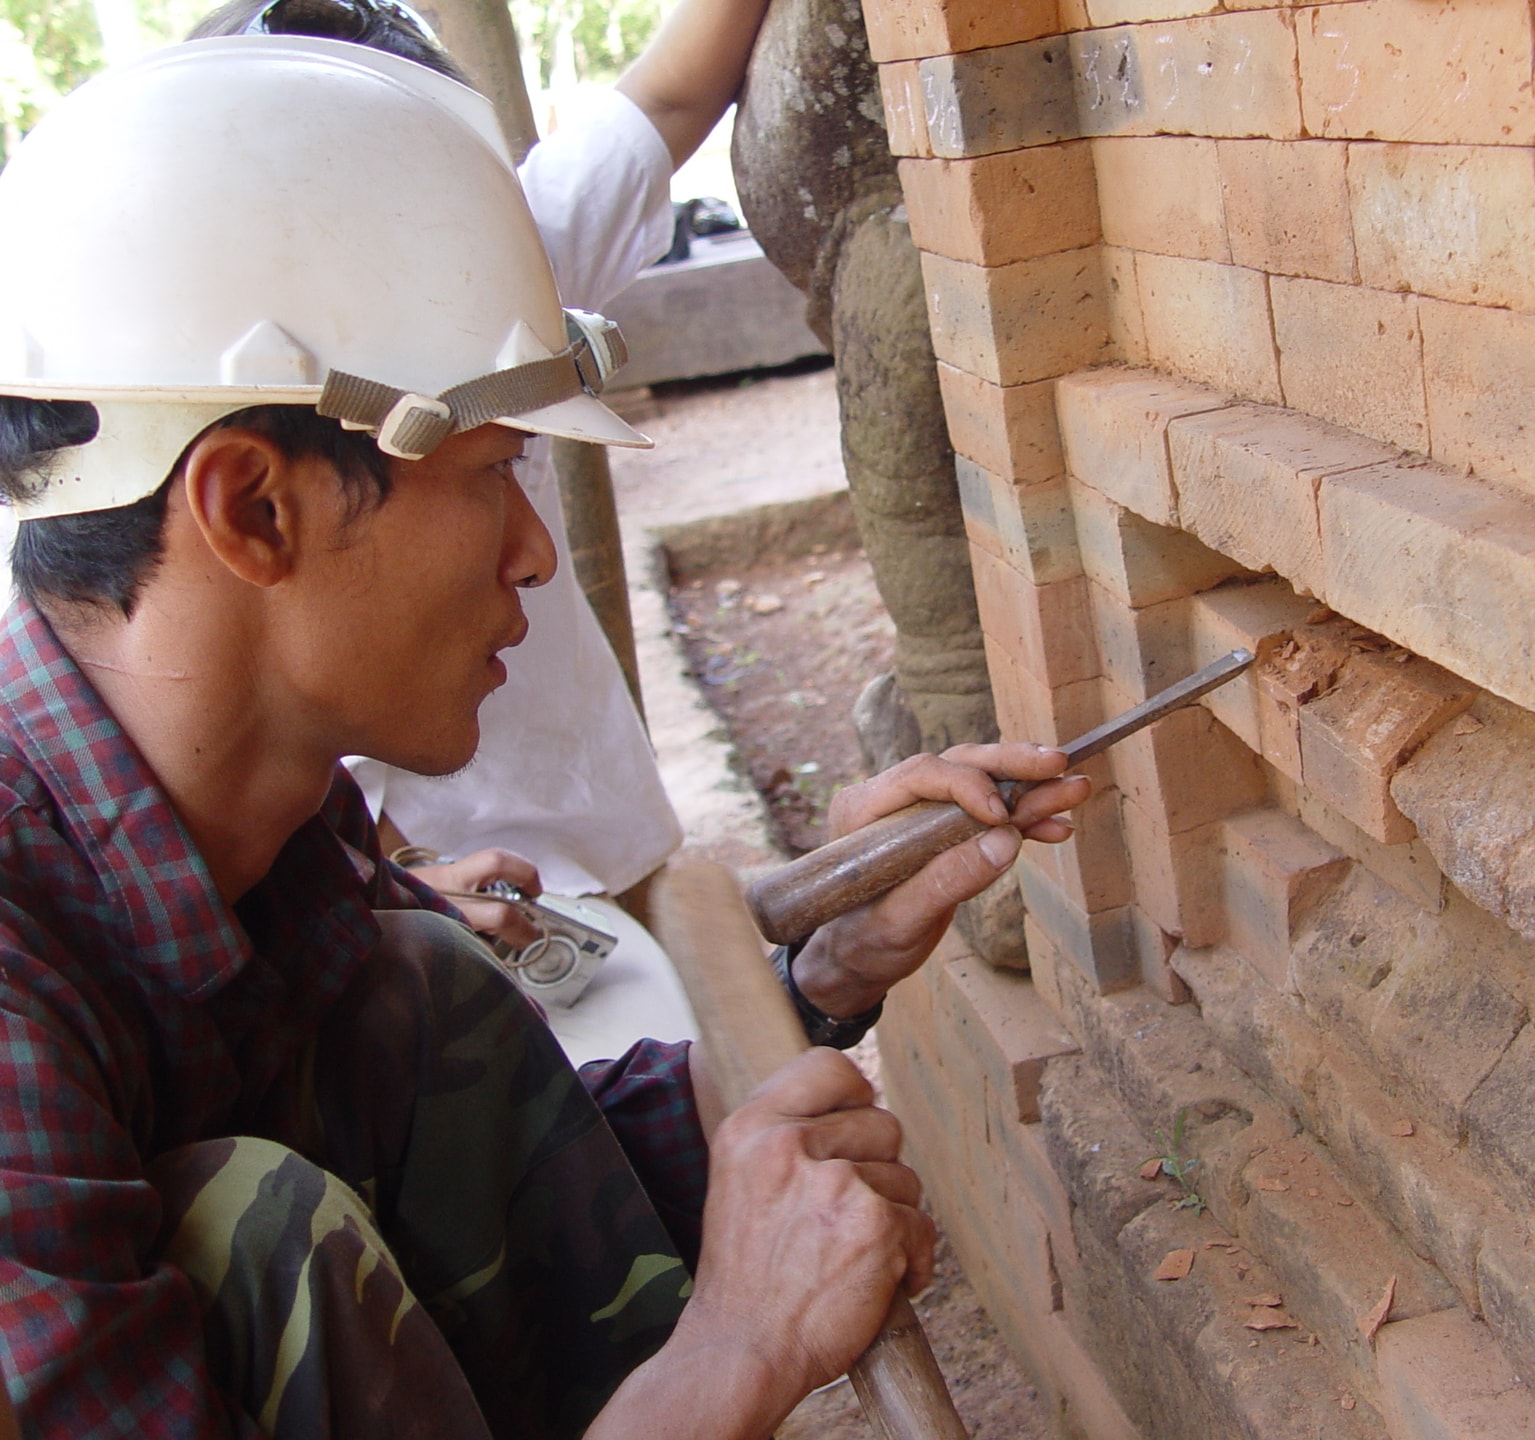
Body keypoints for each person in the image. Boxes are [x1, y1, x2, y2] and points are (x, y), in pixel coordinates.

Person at [0, 37, 1089, 1439]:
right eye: (489, 475)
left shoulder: (267, 832)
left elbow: (496, 1171)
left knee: (426, 988)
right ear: (253, 511)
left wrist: (808, 975)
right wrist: (737, 1357)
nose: (530, 554)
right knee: (253, 1235)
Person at [191, 0, 774, 927]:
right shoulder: (198, 388)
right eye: (481, 468)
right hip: (377, 914)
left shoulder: (510, 264)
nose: (533, 553)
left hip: (591, 848)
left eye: (512, 460)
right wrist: (375, 894)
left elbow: (664, 101)